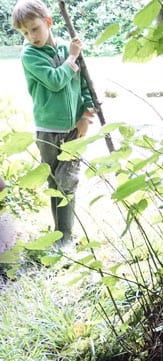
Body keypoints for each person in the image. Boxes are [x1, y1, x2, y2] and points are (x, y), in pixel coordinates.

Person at [11, 0, 94, 247]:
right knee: (55, 181)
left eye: (34, 28)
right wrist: (72, 57)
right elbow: (56, 81)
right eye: (25, 32)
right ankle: (61, 234)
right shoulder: (30, 55)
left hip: (74, 129)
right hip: (48, 130)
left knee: (69, 179)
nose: (31, 36)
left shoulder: (69, 49)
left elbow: (86, 85)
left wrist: (86, 116)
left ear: (48, 22)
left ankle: (66, 235)